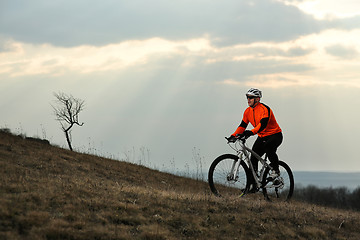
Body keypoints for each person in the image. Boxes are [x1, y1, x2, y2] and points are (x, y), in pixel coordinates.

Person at [228, 88, 283, 190]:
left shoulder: (265, 109)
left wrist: (251, 132)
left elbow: (262, 125)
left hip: (275, 135)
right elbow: (242, 126)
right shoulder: (247, 111)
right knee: (253, 157)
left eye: (251, 97)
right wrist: (233, 136)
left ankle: (276, 170)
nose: (248, 99)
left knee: (268, 147)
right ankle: (253, 185)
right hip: (262, 136)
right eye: (247, 97)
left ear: (257, 99)